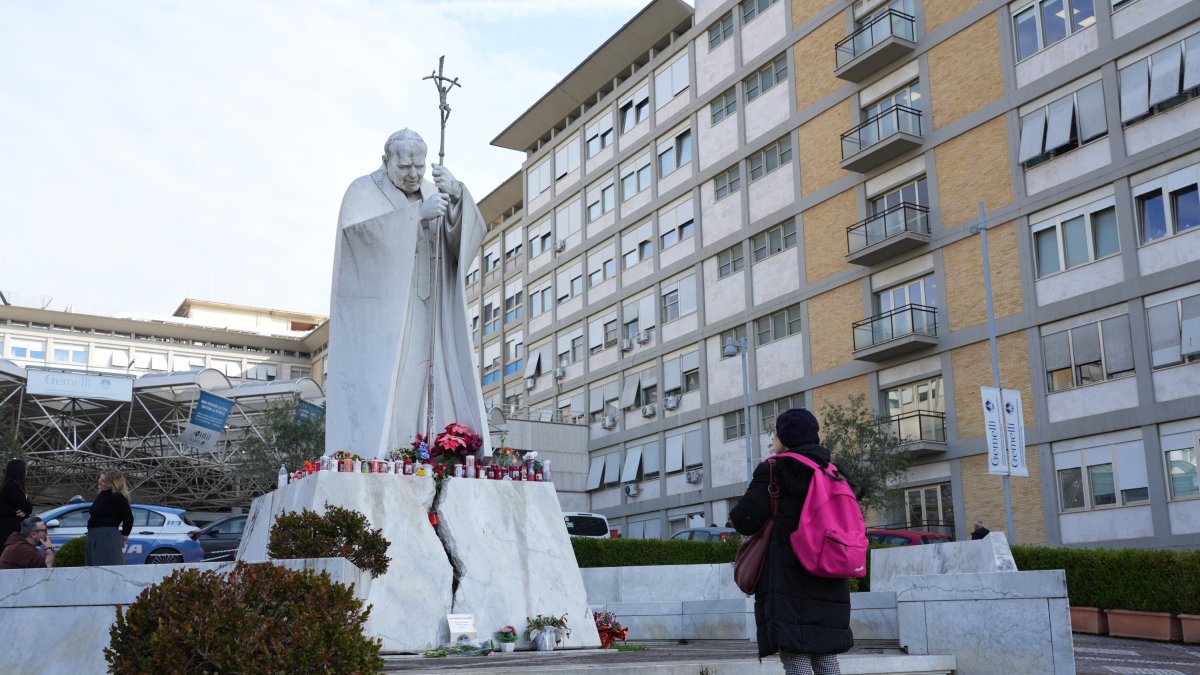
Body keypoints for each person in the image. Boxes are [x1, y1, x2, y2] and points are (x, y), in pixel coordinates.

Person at [326, 129, 490, 459]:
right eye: (404, 167)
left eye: (419, 166)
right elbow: (357, 240)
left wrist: (457, 198)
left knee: (434, 381)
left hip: (432, 309)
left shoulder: (434, 191)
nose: (414, 174)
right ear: (386, 161)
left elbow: (465, 243)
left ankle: (437, 450)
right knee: (396, 388)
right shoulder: (362, 191)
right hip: (389, 314)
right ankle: (390, 452)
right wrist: (416, 216)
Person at [730, 409, 852, 675]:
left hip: (789, 579)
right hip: (830, 575)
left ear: (785, 437)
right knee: (825, 657)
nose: (773, 439)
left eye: (775, 433)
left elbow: (745, 519)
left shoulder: (775, 469)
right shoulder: (834, 471)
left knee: (796, 659)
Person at [86, 468, 133, 566]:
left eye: (104, 481)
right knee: (92, 568)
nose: (100, 482)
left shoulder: (117, 497)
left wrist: (124, 535)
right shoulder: (101, 495)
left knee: (104, 568)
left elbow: (128, 518)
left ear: (113, 484)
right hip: (94, 536)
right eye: (100, 478)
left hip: (106, 537)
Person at [0, 459, 33, 548]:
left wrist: (24, 511)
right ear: (19, 471)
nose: (27, 471)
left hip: (7, 530)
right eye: (25, 469)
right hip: (10, 531)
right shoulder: (12, 487)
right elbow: (28, 507)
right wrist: (23, 510)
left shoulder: (7, 485)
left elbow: (24, 508)